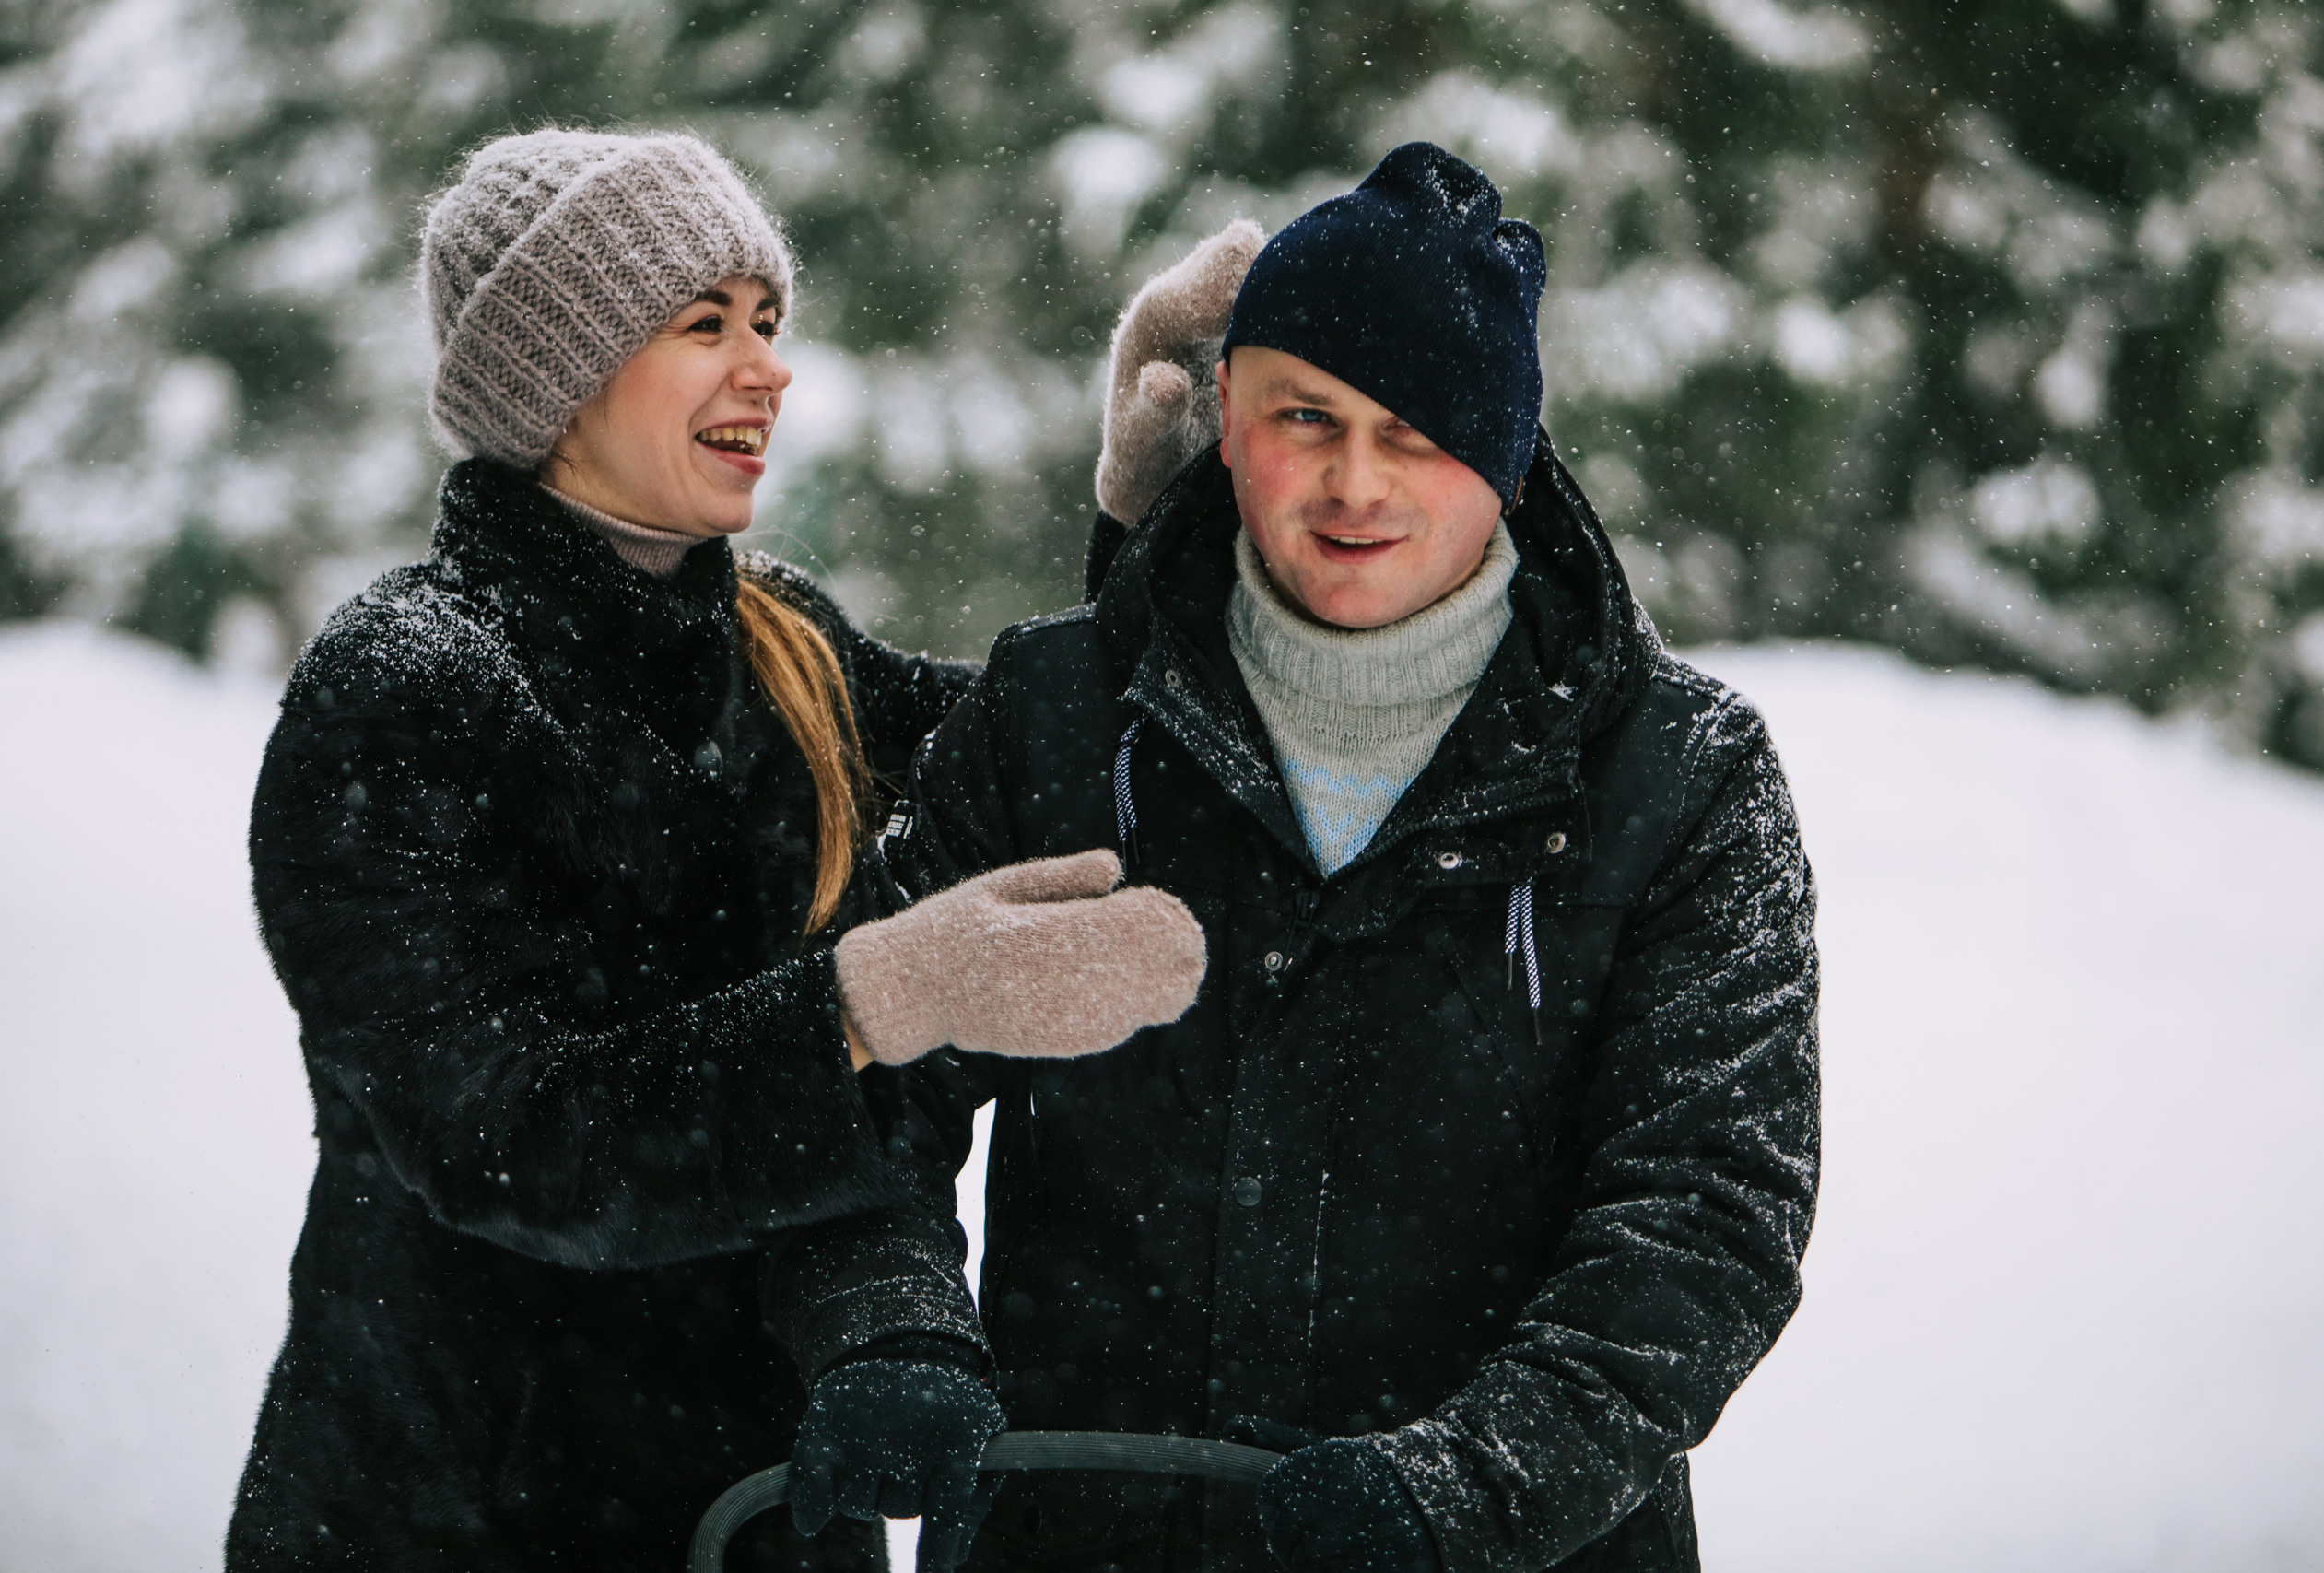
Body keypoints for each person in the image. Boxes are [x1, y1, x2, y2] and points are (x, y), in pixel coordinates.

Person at [769, 143, 1821, 1572]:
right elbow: (866, 1093)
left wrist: (1465, 1487)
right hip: (1084, 1535)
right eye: (1304, 418)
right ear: (1225, 419)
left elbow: (1708, 1214)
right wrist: (890, 1326)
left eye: (1417, 433)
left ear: (1506, 459)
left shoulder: (1681, 779)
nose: (1353, 483)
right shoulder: (1055, 719)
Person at [227, 129, 1204, 1572]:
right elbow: (507, 1139)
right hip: (455, 1515)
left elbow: (1045, 768)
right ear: (553, 373)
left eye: (767, 323)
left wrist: (1151, 529)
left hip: (762, 1511)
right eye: (705, 326)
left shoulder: (785, 644)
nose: (768, 367)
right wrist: (867, 1004)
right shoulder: (406, 685)